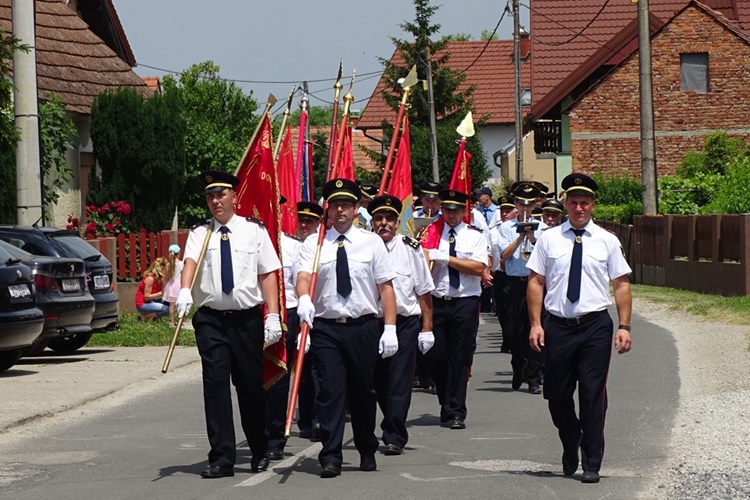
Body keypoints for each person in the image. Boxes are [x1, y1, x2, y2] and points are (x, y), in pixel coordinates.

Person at [174, 169, 282, 479]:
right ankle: (221, 457)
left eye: (221, 194)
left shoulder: (254, 230)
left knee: (249, 386)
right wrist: (184, 289)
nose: (215, 200)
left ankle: (259, 447)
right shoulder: (200, 233)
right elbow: (191, 263)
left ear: (234, 196)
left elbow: (267, 274)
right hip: (211, 320)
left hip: (246, 319)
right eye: (210, 196)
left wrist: (272, 314)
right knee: (215, 386)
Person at [527, 173, 632, 484]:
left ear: (592, 205)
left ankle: (592, 460)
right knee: (556, 395)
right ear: (565, 205)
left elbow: (621, 285)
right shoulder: (548, 239)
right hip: (557, 326)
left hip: (595, 326)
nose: (579, 207)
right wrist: (535, 324)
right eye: (573, 202)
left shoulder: (607, 240)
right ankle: (571, 437)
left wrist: (624, 326)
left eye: (584, 202)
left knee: (592, 394)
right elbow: (535, 282)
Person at [295, 178, 398, 478]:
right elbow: (303, 277)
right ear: (327, 209)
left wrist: (389, 328)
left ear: (356, 209)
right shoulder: (315, 244)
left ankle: (366, 446)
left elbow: (386, 287)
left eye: (346, 205)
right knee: (330, 392)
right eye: (335, 205)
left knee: (363, 390)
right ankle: (331, 455)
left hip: (363, 326)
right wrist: (303, 297)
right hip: (327, 327)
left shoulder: (372, 242)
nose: (340, 210)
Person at [368, 194, 435, 455]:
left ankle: (395, 434)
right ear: (372, 222)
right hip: (372, 324)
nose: (383, 223)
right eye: (378, 219)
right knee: (378, 382)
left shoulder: (411, 249)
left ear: (397, 222)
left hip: (405, 323)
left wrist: (427, 327)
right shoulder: (364, 247)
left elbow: (424, 290)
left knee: (399, 380)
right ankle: (389, 419)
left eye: (389, 219)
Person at [265, 200, 325, 459]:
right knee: (260, 379)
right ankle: (264, 432)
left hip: (287, 313)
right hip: (254, 314)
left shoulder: (292, 246)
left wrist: (302, 324)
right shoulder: (249, 239)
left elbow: (301, 284)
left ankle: (277, 437)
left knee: (289, 374)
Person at [425, 189, 488, 430]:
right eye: (447, 210)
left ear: (464, 211)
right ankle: (445, 401)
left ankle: (456, 410)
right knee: (437, 357)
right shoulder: (432, 233)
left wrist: (448, 259)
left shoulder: (474, 236)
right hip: (438, 300)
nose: (451, 215)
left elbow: (478, 267)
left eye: (456, 210)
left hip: (465, 300)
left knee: (460, 357)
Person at [497, 182, 547, 394]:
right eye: (521, 203)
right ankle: (519, 367)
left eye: (529, 204)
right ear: (515, 203)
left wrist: (533, 238)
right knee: (513, 332)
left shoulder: (543, 228)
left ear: (535, 204)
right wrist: (519, 237)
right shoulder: (505, 227)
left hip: (534, 283)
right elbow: (504, 255)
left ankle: (534, 377)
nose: (525, 208)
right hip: (513, 284)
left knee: (535, 328)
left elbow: (546, 256)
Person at [489, 194, 516, 353]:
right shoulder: (493, 231)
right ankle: (507, 338)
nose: (505, 214)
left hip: (514, 274)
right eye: (503, 211)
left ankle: (514, 339)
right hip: (499, 273)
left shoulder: (518, 228)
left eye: (508, 210)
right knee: (502, 310)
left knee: (513, 310)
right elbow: (489, 252)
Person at [135, 257, 169, 321]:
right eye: (167, 267)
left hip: (151, 301)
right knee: (166, 310)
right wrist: (161, 293)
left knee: (169, 302)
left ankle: (156, 318)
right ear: (162, 268)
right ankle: (145, 317)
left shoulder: (159, 279)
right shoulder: (150, 279)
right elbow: (146, 297)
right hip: (143, 304)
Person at [162, 244, 183, 326]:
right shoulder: (181, 264)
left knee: (172, 305)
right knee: (181, 304)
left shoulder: (168, 265)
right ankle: (180, 320)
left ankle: (172, 321)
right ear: (179, 253)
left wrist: (165, 286)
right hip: (179, 284)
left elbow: (166, 277)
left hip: (171, 285)